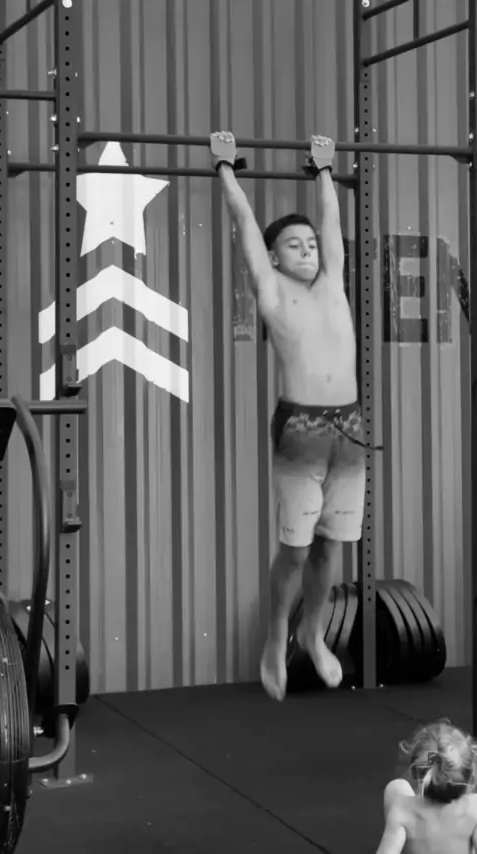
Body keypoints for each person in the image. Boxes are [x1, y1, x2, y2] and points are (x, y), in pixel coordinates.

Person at [210, 130, 365, 701]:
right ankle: (277, 635)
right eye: (294, 245)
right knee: (296, 550)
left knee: (331, 545)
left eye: (311, 245)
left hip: (349, 427)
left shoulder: (333, 285)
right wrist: (226, 169)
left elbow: (332, 224)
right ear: (274, 258)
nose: (307, 250)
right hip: (301, 428)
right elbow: (247, 227)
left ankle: (312, 632)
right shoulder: (271, 289)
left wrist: (323, 171)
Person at [377, 720, 477, 854]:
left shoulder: (402, 809)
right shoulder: (474, 807)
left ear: (414, 772)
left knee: (396, 787)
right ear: (470, 777)